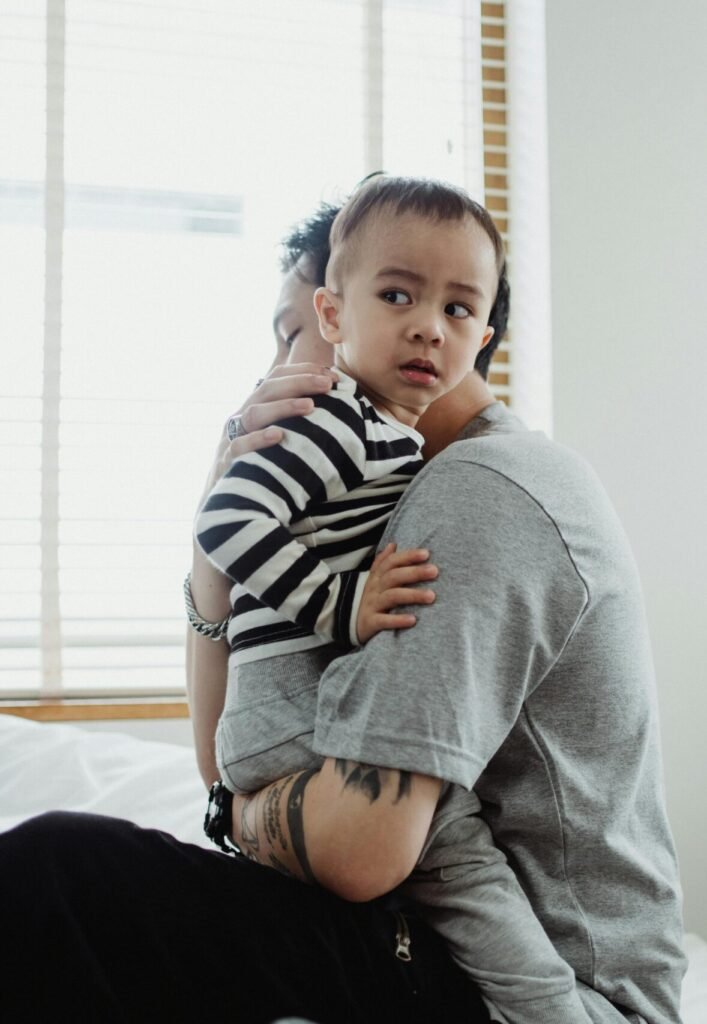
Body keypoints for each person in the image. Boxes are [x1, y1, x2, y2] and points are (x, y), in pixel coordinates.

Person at [190, 199, 686, 1023]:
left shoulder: (478, 488)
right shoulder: (376, 500)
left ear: (338, 315)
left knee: (64, 875)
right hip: (427, 946)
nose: (266, 374)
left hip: (576, 998)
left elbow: (357, 846)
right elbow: (232, 754)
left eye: (286, 337)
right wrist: (211, 571)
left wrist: (237, 817)